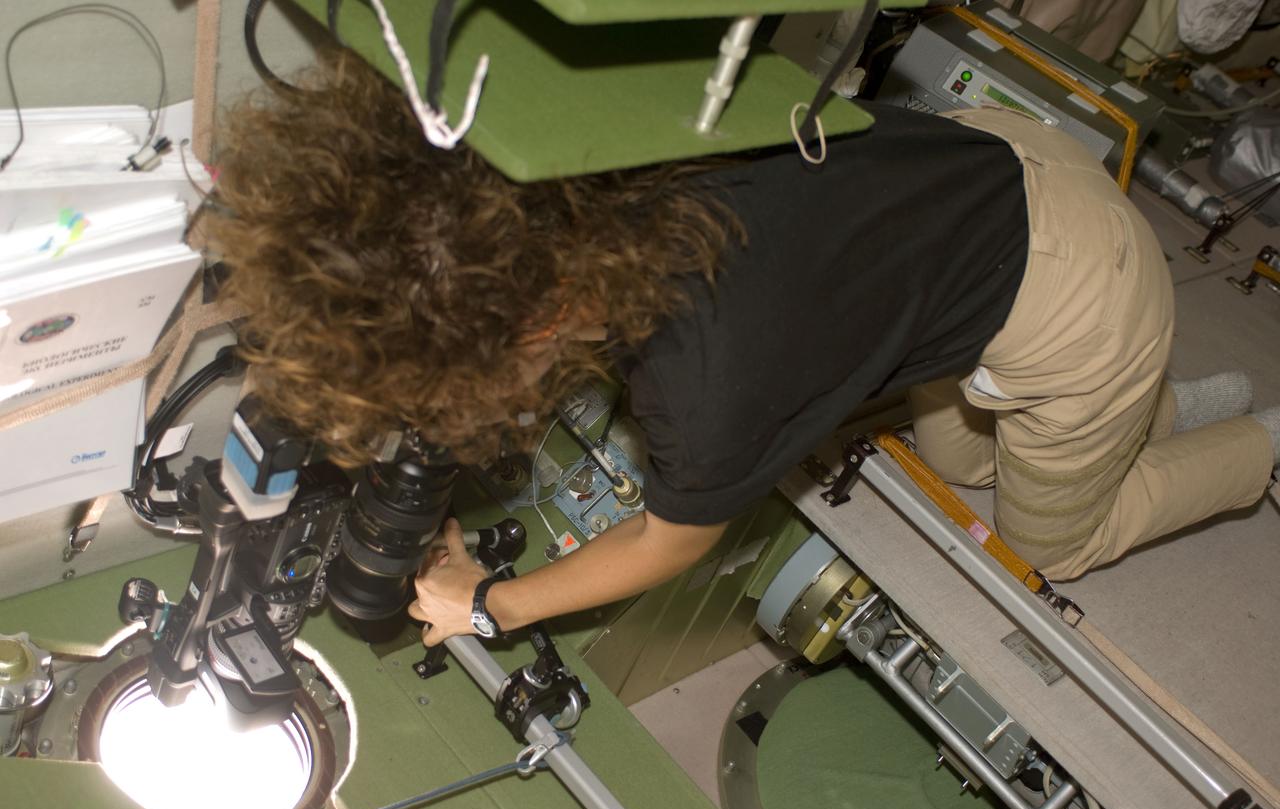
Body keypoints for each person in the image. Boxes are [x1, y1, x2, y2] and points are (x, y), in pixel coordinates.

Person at [212, 52, 1280, 647]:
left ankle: (1256, 443)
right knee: (966, 458)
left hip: (1080, 300)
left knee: (1050, 539)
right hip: (982, 177)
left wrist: (486, 604)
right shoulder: (569, 133)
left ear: (528, 330)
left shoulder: (704, 387)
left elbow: (663, 545)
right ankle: (1156, 410)